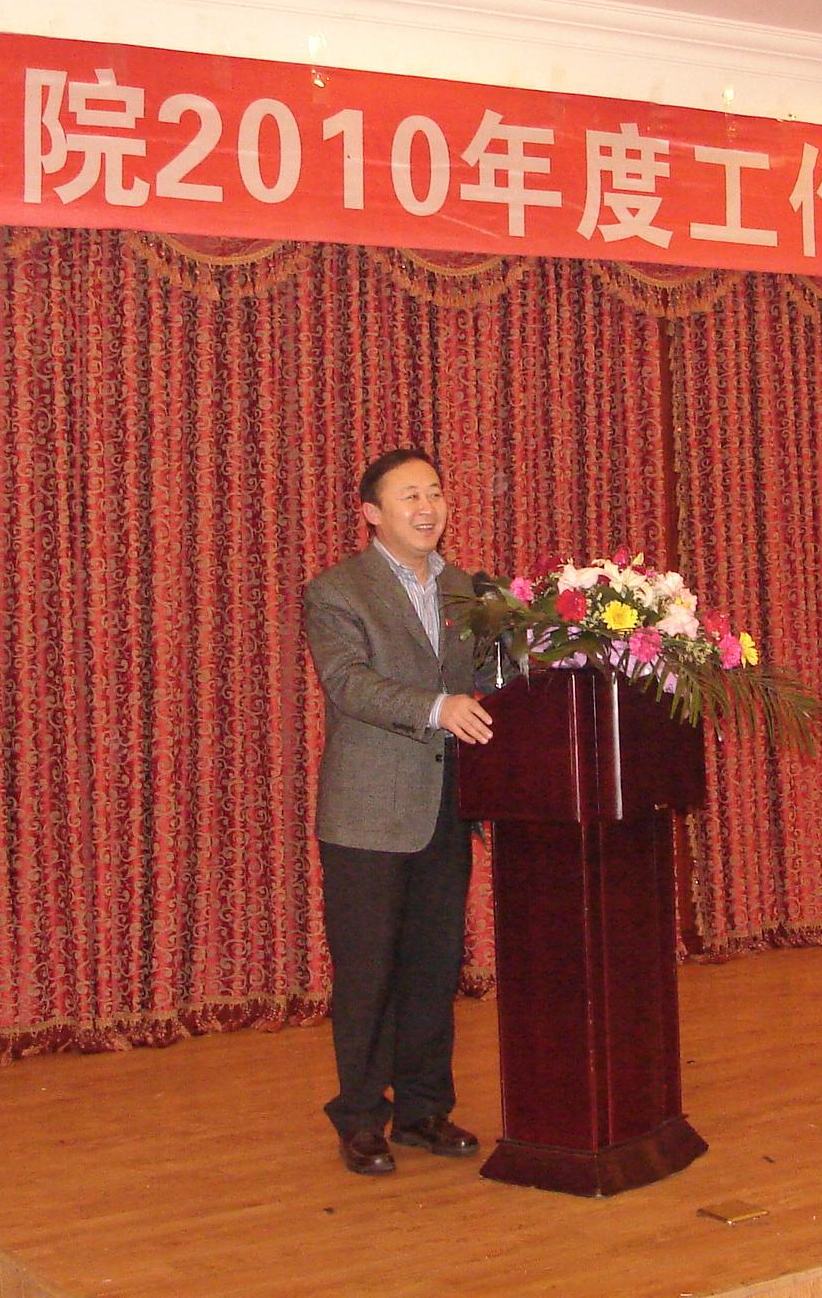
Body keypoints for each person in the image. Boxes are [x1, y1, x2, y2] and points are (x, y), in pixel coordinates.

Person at [302, 448, 496, 1176]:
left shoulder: (469, 590)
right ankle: (360, 1117)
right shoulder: (336, 591)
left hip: (445, 807)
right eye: (410, 495)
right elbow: (348, 683)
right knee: (368, 972)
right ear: (372, 513)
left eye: (435, 492)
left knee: (433, 966)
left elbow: (494, 675)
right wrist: (437, 707)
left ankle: (423, 1110)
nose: (427, 507)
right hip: (368, 814)